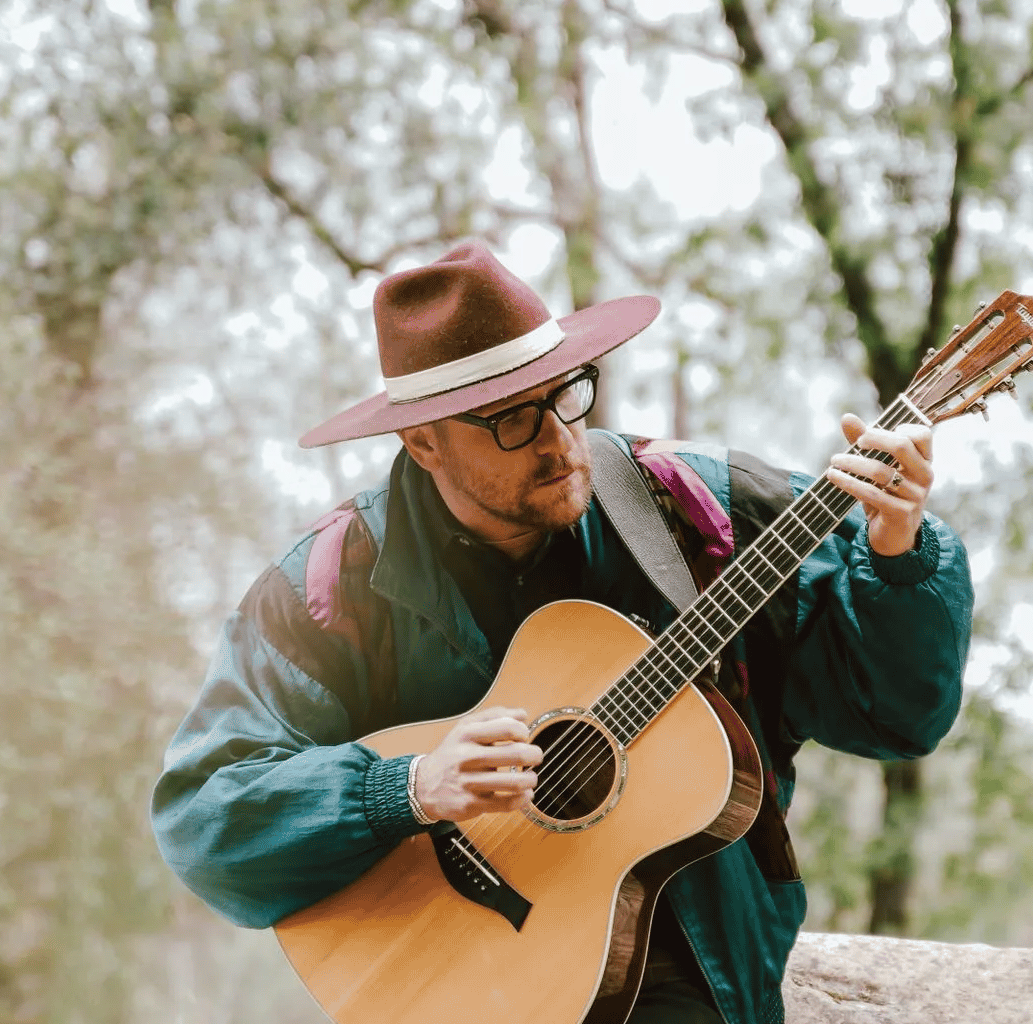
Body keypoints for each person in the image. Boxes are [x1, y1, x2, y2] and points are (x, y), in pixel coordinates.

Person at [150, 241, 973, 1024]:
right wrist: (404, 788)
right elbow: (206, 820)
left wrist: (897, 555)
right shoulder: (330, 587)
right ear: (422, 440)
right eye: (510, 419)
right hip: (451, 984)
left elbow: (898, 717)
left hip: (692, 975)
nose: (557, 441)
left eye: (566, 393)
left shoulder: (704, 508)